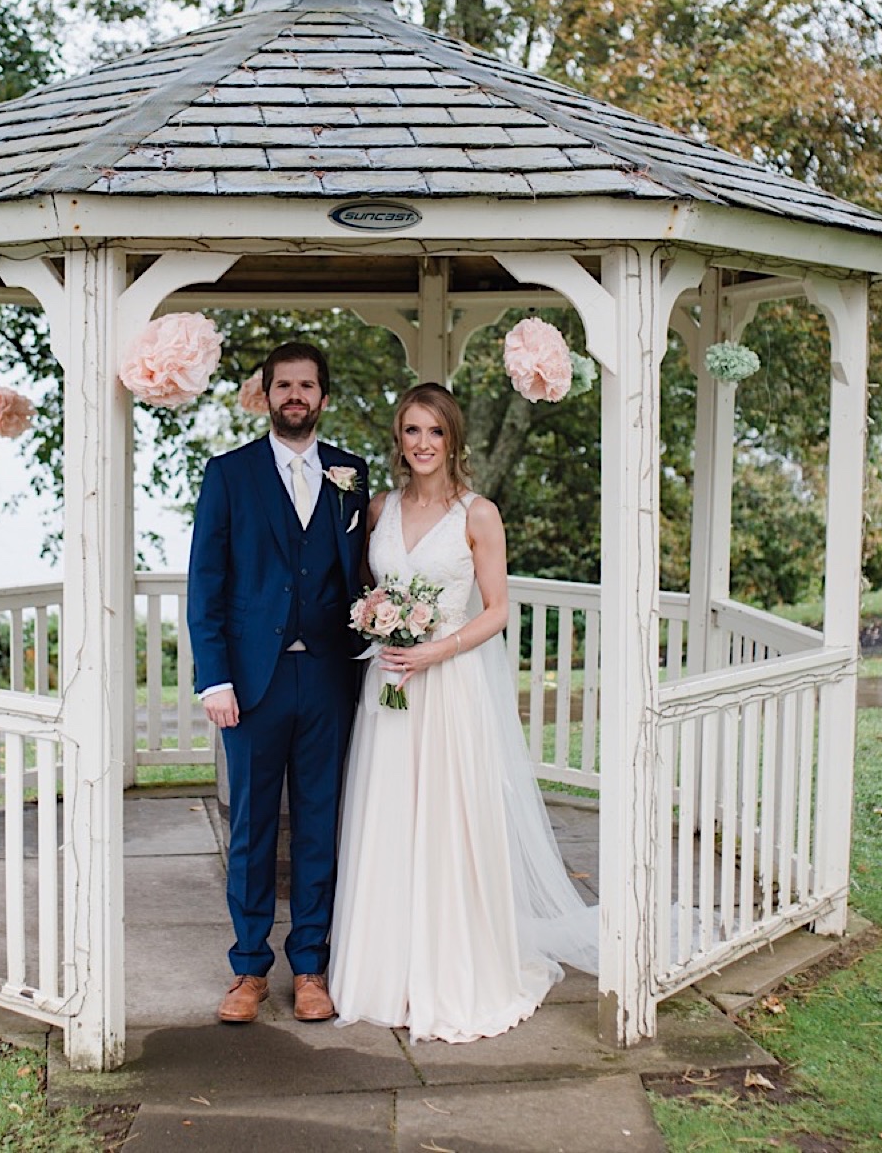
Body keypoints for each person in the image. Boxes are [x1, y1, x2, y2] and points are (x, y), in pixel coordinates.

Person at [329, 383, 598, 1043]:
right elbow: (365, 586)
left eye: (435, 432)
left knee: (448, 820)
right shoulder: (379, 508)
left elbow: (497, 610)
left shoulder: (478, 514)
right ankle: (386, 970)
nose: (423, 443)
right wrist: (380, 623)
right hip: (390, 684)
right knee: (389, 814)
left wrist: (435, 649)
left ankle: (454, 970)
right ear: (399, 439)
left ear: (453, 441)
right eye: (412, 430)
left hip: (448, 684)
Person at [187, 341, 371, 1025]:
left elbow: (362, 570)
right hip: (251, 681)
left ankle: (311, 965)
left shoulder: (351, 472)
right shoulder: (229, 474)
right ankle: (248, 968)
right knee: (253, 829)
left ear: (323, 396)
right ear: (265, 395)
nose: (295, 396)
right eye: (283, 385)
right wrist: (214, 679)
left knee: (320, 824)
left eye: (307, 385)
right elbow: (206, 582)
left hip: (328, 676)